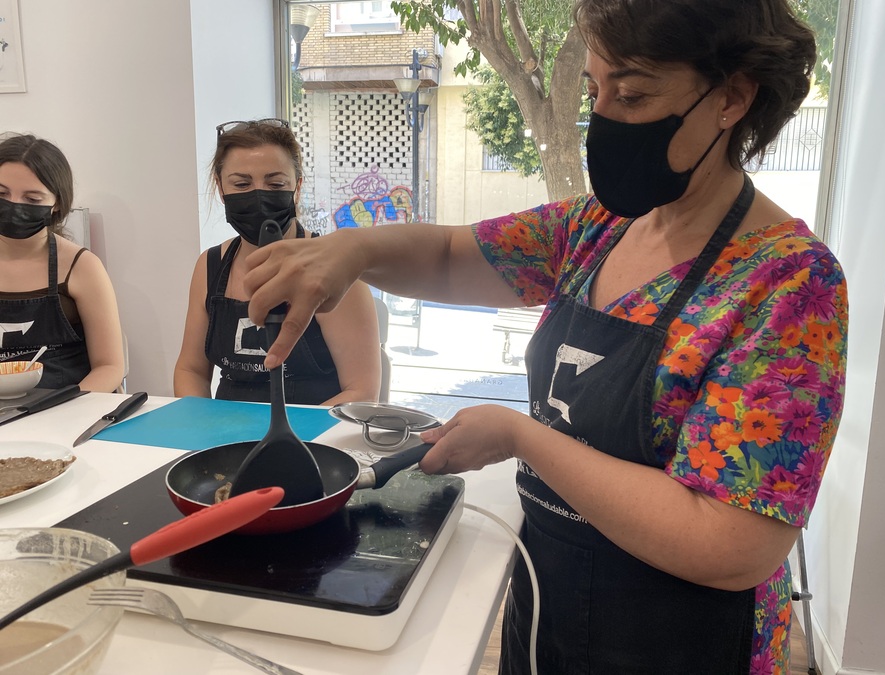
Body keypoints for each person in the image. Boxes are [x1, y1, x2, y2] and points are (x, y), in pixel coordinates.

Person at [242, 1, 848, 672]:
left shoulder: (790, 283)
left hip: (682, 640)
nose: (603, 117)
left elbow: (732, 545)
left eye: (632, 95)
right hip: (552, 605)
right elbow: (450, 256)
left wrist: (522, 436)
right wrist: (351, 250)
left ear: (732, 97)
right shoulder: (596, 229)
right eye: (594, 92)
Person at [174, 118, 381, 405]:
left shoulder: (334, 270)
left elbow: (362, 392)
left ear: (297, 187)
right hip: (227, 429)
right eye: (242, 184)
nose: (259, 195)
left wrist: (289, 433)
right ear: (221, 189)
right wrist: (205, 423)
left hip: (314, 430)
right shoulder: (209, 267)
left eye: (275, 184)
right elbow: (191, 370)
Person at [0, 133, 124, 392]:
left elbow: (110, 367)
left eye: (32, 199)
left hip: (67, 406)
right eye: (2, 193)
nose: (14, 206)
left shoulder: (81, 266)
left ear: (57, 203)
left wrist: (72, 409)